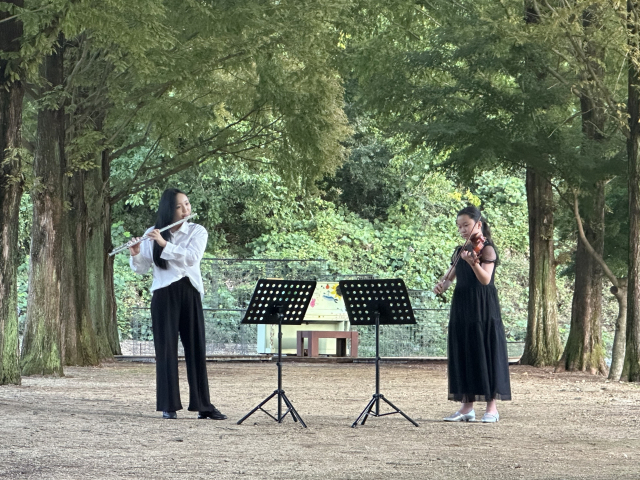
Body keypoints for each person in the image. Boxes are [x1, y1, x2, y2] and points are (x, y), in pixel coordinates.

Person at [129, 188, 226, 420]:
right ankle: (168, 404)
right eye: (180, 206)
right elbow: (142, 269)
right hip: (163, 294)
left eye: (187, 204)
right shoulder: (151, 233)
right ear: (168, 210)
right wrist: (135, 253)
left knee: (196, 349)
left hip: (189, 291)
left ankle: (203, 405)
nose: (186, 210)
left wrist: (164, 243)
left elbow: (192, 257)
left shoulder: (196, 231)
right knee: (165, 351)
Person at [433, 206, 511, 423]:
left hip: (483, 306)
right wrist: (443, 285)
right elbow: (450, 278)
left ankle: (491, 408)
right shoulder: (461, 251)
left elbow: (485, 279)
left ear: (478, 223)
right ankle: (466, 407)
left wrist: (473, 263)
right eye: (459, 226)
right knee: (464, 350)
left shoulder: (487, 250)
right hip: (463, 305)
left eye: (466, 225)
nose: (462, 230)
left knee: (485, 351)